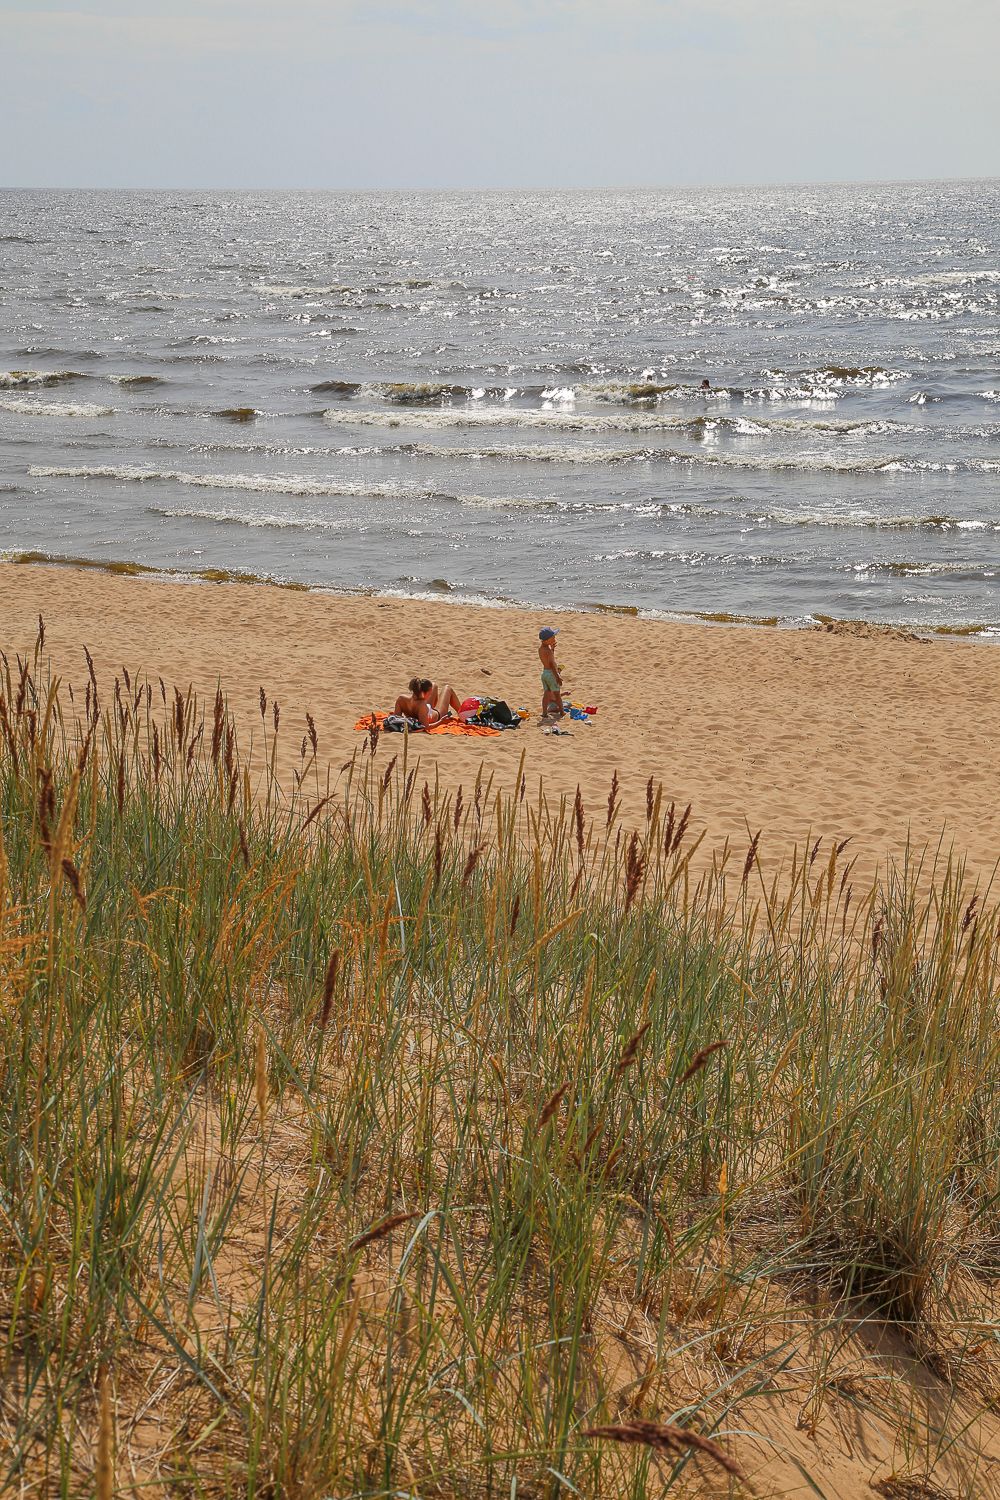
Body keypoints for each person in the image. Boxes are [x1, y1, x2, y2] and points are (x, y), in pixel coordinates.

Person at [395, 677, 462, 728]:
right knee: (447, 689)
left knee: (434, 685)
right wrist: (441, 721)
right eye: (429, 693)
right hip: (437, 715)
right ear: (424, 693)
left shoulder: (401, 699)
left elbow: (396, 719)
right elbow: (426, 727)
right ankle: (463, 715)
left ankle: (431, 707)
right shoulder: (422, 706)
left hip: (425, 711)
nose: (430, 695)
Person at [538, 627, 563, 718]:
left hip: (545, 674)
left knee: (546, 694)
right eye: (553, 637)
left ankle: (544, 713)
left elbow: (548, 660)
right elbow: (552, 664)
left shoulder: (541, 649)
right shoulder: (548, 651)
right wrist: (557, 677)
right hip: (551, 674)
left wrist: (552, 649)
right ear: (547, 640)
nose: (555, 639)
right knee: (557, 694)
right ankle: (562, 712)